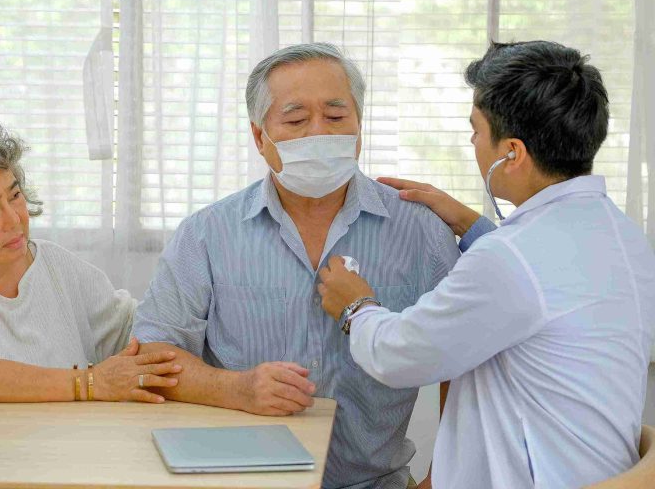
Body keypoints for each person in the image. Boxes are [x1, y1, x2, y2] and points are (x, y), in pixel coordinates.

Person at [317, 40, 655, 489]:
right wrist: (473, 225)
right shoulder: (623, 237)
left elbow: (400, 354)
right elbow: (544, 290)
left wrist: (355, 305)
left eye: (475, 131)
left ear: (511, 153)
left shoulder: (513, 257)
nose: (473, 143)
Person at [131, 42, 460, 489]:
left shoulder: (421, 229)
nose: (319, 133)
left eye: (336, 116)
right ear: (259, 137)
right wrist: (236, 389)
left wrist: (445, 477)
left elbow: (467, 361)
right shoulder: (206, 234)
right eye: (296, 119)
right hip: (239, 481)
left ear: (359, 127)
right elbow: (151, 357)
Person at [0, 118, 181, 403]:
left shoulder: (55, 264)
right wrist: (90, 384)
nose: (15, 219)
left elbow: (133, 326)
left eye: (14, 196)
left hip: (56, 446)